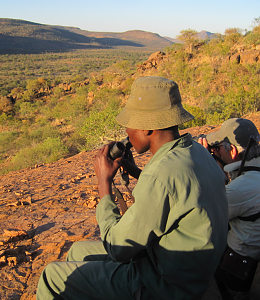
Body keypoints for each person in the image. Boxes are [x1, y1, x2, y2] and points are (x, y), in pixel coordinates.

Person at [36, 76, 228, 300]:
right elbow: (174, 193)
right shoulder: (196, 151)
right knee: (78, 251)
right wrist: (135, 171)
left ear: (147, 128)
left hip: (164, 285)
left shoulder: (161, 175)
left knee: (51, 276)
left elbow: (117, 247)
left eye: (130, 123)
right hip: (187, 271)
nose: (126, 132)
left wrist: (104, 185)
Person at [199, 118, 260, 299]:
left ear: (232, 151)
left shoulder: (240, 189)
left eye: (216, 148)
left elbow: (202, 212)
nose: (214, 152)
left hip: (238, 270)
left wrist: (205, 164)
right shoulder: (251, 177)